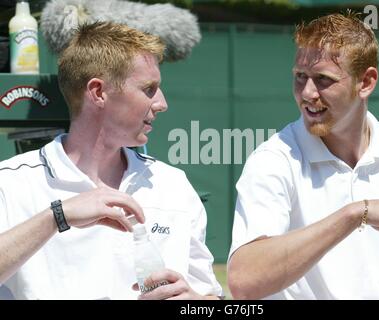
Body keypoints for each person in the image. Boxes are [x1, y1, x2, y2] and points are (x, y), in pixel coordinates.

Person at [227, 12, 379, 300]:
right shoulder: (273, 159)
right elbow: (244, 281)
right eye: (300, 77)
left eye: (323, 80)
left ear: (365, 82)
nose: (307, 93)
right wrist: (357, 213)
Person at [0, 21, 222, 300]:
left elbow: (210, 296)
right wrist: (58, 216)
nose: (162, 103)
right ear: (97, 92)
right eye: (149, 89)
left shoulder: (173, 185)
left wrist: (193, 301)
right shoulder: (11, 182)